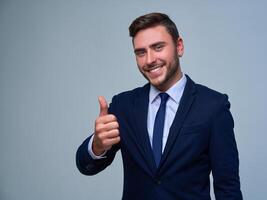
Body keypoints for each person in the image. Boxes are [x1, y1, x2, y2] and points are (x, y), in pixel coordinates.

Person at [76, 12, 243, 200]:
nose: (149, 60)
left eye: (158, 47)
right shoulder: (124, 106)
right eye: (141, 52)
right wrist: (97, 146)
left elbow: (228, 189)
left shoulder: (213, 106)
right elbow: (85, 165)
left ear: (179, 46)